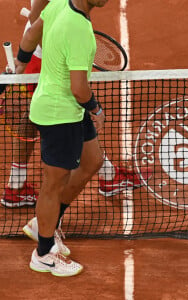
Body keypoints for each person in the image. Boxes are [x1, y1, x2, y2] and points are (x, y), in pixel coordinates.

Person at [15, 0, 150, 277]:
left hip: (71, 109)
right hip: (59, 114)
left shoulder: (57, 5)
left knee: (92, 161)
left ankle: (44, 225)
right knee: (54, 183)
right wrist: (96, 109)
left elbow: (30, 36)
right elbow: (79, 88)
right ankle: (43, 253)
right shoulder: (78, 29)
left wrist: (18, 66)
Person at [1, 0, 151, 210]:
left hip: (41, 48)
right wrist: (61, 45)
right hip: (48, 55)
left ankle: (16, 186)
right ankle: (108, 176)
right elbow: (36, 16)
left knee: (34, 113)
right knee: (72, 109)